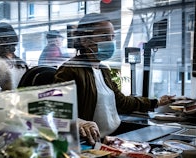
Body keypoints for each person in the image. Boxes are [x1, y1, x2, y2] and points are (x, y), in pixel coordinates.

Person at [53, 13, 174, 145]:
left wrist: (156, 102)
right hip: (90, 143)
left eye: (112, 37)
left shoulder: (103, 69)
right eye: (105, 36)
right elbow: (56, 112)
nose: (110, 41)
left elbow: (122, 102)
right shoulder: (70, 70)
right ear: (85, 40)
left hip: (112, 138)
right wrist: (79, 123)